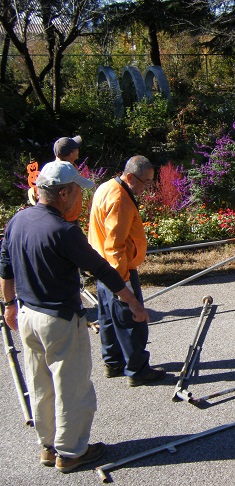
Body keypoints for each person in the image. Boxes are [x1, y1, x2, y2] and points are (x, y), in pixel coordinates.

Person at [0, 161, 149, 472]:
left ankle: (48, 445)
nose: (81, 198)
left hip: (27, 316)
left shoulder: (18, 221)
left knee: (40, 385)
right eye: (78, 192)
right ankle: (71, 453)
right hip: (59, 320)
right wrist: (133, 303)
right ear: (64, 194)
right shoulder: (64, 231)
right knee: (72, 388)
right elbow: (101, 269)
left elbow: (5, 268)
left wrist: (9, 305)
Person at [88, 155, 166, 386]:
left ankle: (112, 363)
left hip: (101, 267)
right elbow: (115, 246)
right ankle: (138, 370)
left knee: (109, 318)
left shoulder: (107, 187)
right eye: (147, 182)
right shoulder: (120, 199)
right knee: (132, 318)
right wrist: (124, 286)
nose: (149, 188)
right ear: (130, 177)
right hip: (117, 269)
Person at [52, 136, 85, 223]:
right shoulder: (57, 173)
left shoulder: (71, 166)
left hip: (72, 218)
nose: (78, 150)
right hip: (64, 221)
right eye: (76, 148)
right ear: (71, 154)